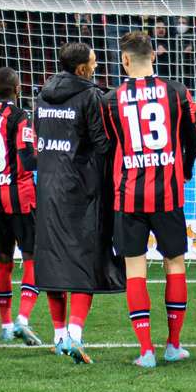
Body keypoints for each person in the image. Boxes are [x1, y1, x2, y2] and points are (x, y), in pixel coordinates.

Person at [90, 30, 196, 369]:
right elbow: (191, 139)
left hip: (129, 195)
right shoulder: (176, 92)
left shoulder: (110, 100)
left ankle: (146, 351)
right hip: (168, 193)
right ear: (154, 56)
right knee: (175, 264)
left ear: (124, 60)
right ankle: (173, 345)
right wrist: (186, 170)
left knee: (135, 269)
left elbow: (107, 146)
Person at [31, 41, 122, 363]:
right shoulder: (89, 96)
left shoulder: (41, 95)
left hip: (48, 184)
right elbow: (100, 143)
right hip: (81, 189)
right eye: (94, 63)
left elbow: (37, 137)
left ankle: (57, 336)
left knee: (54, 259)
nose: (96, 66)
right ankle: (75, 334)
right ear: (82, 68)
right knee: (85, 260)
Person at [0, 66, 45, 346]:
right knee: (32, 258)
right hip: (21, 198)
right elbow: (28, 160)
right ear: (17, 89)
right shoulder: (20, 117)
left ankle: (4, 325)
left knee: (3, 260)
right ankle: (22, 319)